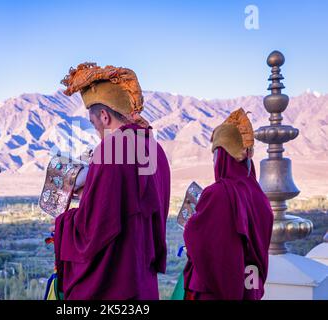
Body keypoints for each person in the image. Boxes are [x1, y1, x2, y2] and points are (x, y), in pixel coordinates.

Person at [53, 63, 171, 300]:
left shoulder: (111, 149)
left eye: (94, 123)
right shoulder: (155, 149)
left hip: (115, 286)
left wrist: (63, 225)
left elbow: (93, 230)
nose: (96, 131)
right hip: (143, 281)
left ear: (104, 116)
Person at [183, 108, 274, 300]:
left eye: (215, 155)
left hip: (215, 293)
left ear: (221, 157)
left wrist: (191, 223)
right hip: (249, 287)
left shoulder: (217, 193)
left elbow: (199, 239)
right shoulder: (260, 197)